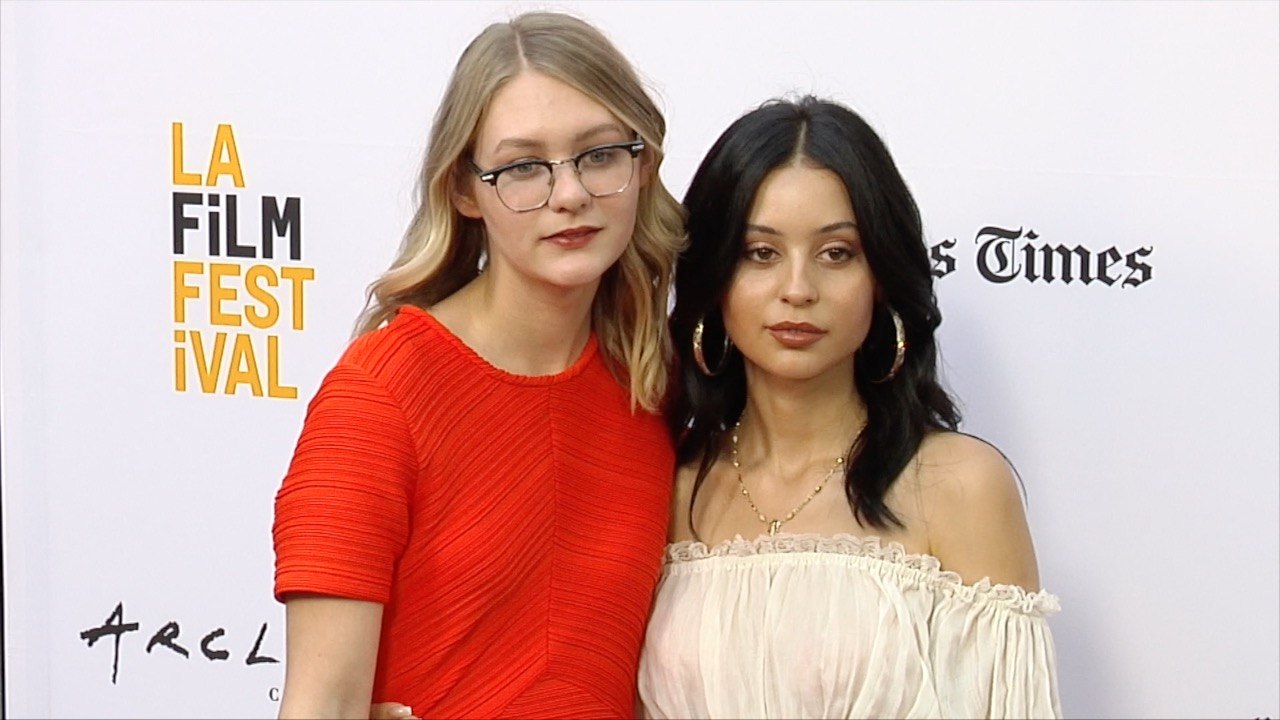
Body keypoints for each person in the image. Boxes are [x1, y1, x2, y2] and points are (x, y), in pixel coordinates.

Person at [272, 11, 685, 719]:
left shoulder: (658, 384)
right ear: (465, 189)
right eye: (524, 165)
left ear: (641, 164)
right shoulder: (380, 395)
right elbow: (323, 706)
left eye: (598, 154)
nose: (569, 194)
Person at [636, 96, 1062, 718]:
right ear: (715, 276)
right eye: (761, 253)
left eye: (837, 253)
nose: (798, 290)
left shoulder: (959, 487)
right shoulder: (666, 485)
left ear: (881, 277)